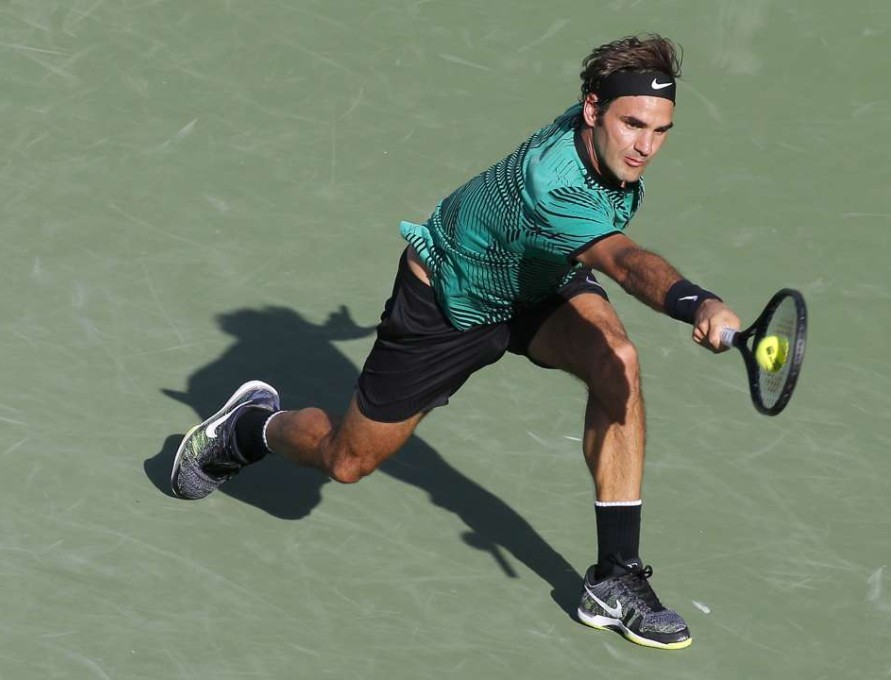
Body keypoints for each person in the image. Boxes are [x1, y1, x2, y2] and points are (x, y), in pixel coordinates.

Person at [171, 33, 739, 651]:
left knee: (617, 363)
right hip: (449, 302)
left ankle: (615, 578)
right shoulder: (555, 187)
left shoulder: (601, 136)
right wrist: (698, 302)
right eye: (633, 125)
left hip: (537, 275)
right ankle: (247, 428)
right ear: (592, 110)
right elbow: (624, 264)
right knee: (345, 461)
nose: (645, 147)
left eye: (660, 131)